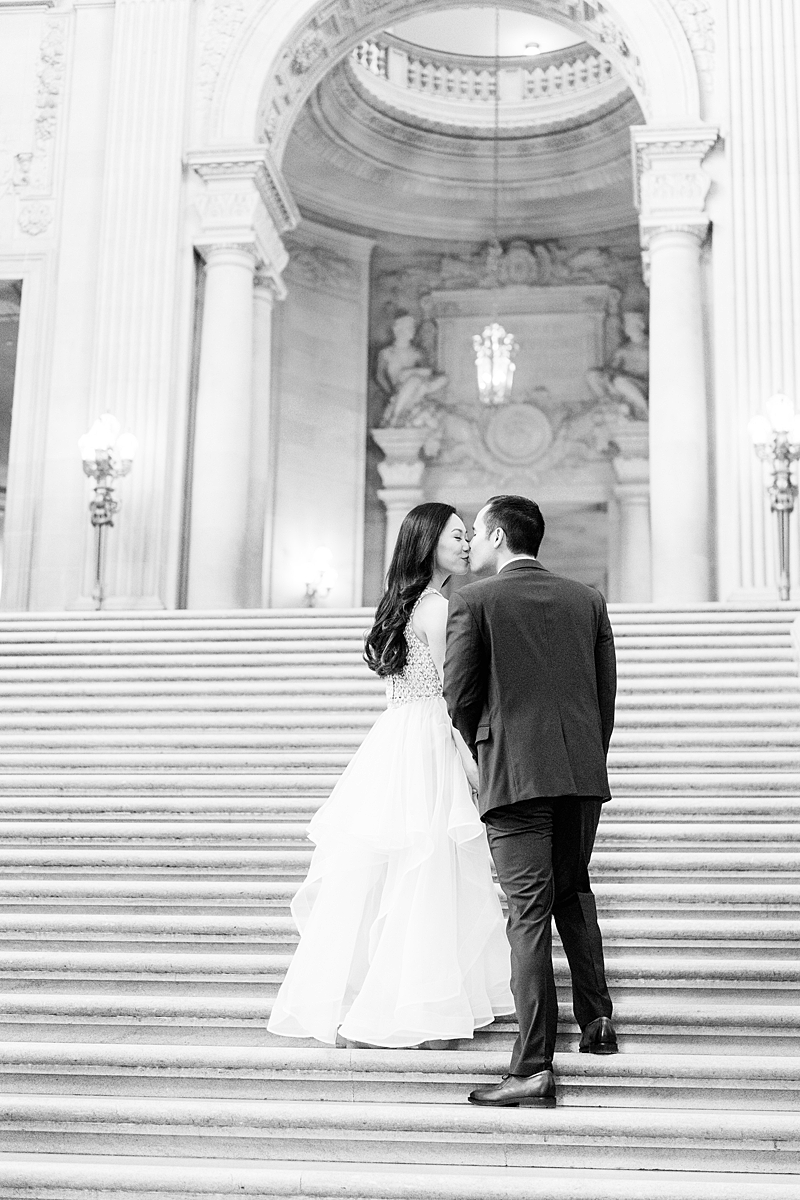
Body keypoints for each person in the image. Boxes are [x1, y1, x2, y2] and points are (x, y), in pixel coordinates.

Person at [268, 502, 513, 1048]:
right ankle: (420, 1005)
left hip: (397, 738)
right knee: (429, 870)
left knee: (396, 875)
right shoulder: (438, 608)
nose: (467, 543)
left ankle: (384, 999)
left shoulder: (400, 606)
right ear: (429, 544)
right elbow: (458, 694)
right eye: (456, 535)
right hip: (431, 739)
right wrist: (474, 761)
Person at [443, 495, 617, 1109]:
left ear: (494, 536)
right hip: (580, 771)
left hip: (514, 773)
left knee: (527, 913)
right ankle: (597, 1023)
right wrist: (583, 755)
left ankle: (533, 1064)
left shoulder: (474, 600)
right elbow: (604, 695)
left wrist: (483, 749)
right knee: (573, 889)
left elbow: (459, 694)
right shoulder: (586, 598)